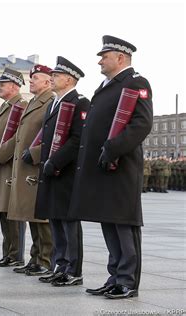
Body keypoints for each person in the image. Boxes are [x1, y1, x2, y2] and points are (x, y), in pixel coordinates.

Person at [69, 35, 153, 299]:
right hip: (104, 166)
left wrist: (113, 148)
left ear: (120, 57)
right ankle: (115, 276)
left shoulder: (136, 82)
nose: (100, 61)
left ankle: (127, 281)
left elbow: (141, 124)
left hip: (122, 166)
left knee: (123, 224)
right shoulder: (107, 85)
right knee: (108, 221)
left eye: (104, 56)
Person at [34, 56, 90, 287]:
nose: (52, 79)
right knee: (55, 219)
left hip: (66, 172)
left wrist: (55, 162)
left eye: (56, 76)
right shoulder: (54, 103)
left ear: (69, 79)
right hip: (51, 170)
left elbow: (78, 139)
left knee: (68, 222)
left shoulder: (80, 103)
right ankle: (60, 265)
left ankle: (73, 270)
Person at [8, 65, 55, 276]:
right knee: (30, 214)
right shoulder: (33, 102)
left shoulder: (50, 102)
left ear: (47, 82)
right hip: (26, 165)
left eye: (35, 78)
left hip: (36, 164)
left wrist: (35, 153)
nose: (31, 81)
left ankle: (45, 260)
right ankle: (35, 258)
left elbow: (51, 134)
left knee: (42, 219)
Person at [0, 68, 27, 268]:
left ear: (13, 86)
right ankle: (8, 253)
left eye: (2, 84)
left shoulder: (21, 105)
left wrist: (1, 154)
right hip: (1, 166)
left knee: (13, 212)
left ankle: (16, 254)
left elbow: (19, 135)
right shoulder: (6, 106)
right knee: (4, 211)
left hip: (9, 166)